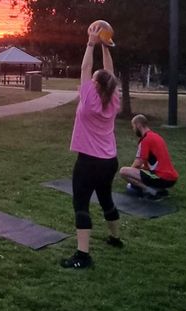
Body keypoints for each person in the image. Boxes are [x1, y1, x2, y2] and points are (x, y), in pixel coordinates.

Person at [61, 24, 122, 269]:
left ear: (95, 86)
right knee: (106, 198)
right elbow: (110, 72)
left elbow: (87, 68)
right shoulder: (113, 99)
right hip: (109, 161)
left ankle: (83, 255)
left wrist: (90, 43)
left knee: (81, 204)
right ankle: (115, 238)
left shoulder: (88, 101)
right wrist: (105, 46)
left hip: (88, 162)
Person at [120, 114, 179, 200]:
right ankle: (160, 190)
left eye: (133, 127)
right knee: (142, 171)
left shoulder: (146, 139)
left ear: (138, 125)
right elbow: (152, 162)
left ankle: (151, 191)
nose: (133, 130)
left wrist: (131, 174)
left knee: (123, 171)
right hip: (171, 178)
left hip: (161, 177)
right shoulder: (156, 137)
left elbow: (138, 162)